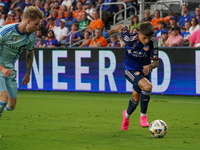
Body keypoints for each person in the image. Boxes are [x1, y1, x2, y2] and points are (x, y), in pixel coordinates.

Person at [107, 21, 159, 130]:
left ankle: (126, 116)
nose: (147, 41)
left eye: (149, 38)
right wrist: (110, 32)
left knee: (136, 98)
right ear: (139, 33)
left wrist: (149, 66)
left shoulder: (153, 42)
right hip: (130, 68)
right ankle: (143, 116)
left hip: (144, 70)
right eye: (144, 38)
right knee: (148, 87)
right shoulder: (129, 38)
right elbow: (120, 27)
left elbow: (156, 62)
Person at [0, 6, 44, 118]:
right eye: (36, 24)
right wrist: (2, 69)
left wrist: (28, 73)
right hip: (1, 68)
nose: (37, 27)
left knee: (11, 105)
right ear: (28, 21)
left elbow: (30, 54)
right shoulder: (5, 31)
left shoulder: (31, 37)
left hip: (9, 70)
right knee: (3, 99)